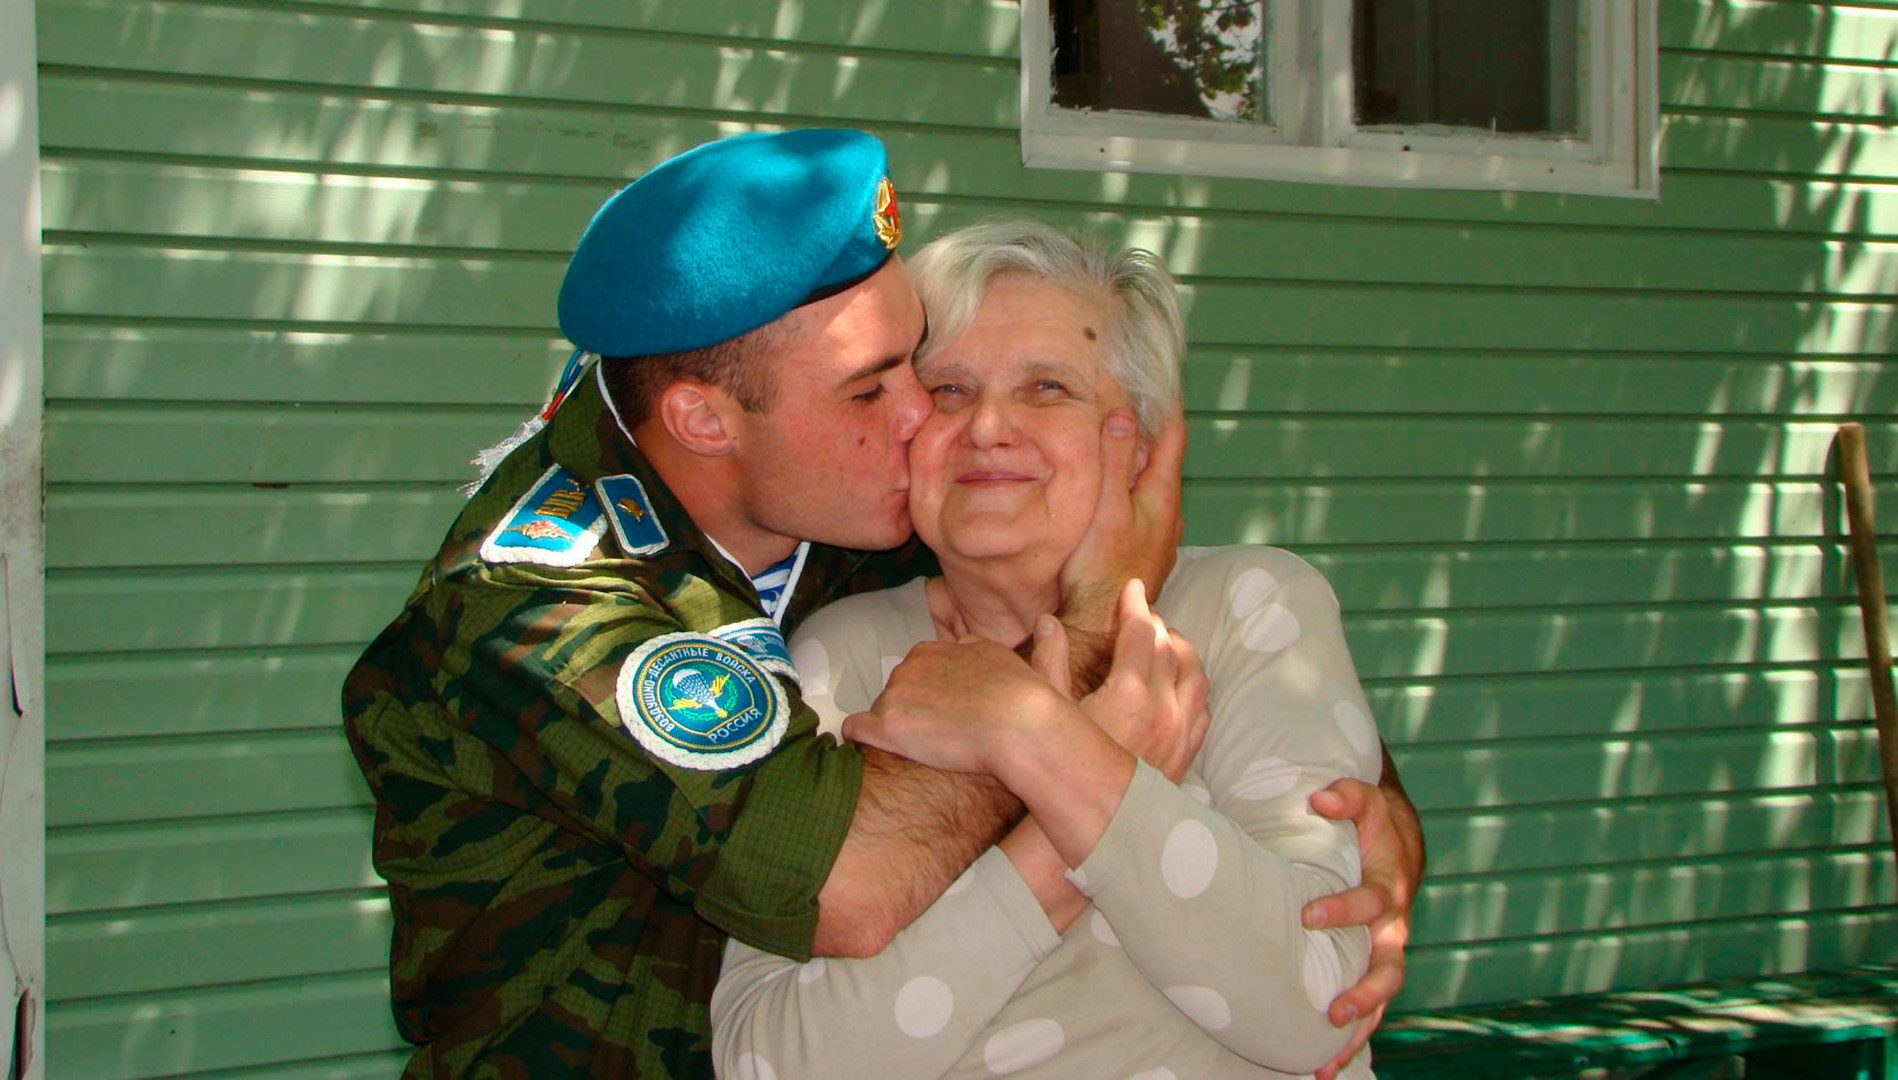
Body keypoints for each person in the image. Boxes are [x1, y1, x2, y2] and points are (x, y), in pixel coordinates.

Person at [342, 129, 1419, 1079]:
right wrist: (1088, 680)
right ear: (705, 422)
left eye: (920, 361)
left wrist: (1368, 825)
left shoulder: (841, 488)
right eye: (878, 388)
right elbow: (851, 885)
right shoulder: (539, 610)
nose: (927, 418)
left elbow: (1269, 704)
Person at [712, 221, 1400, 1078]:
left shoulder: (1251, 608)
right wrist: (1070, 788)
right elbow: (767, 1061)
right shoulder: (845, 652)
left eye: (1047, 388)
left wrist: (1030, 734)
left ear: (1142, 443)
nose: (990, 426)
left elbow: (1317, 1008)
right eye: (950, 390)